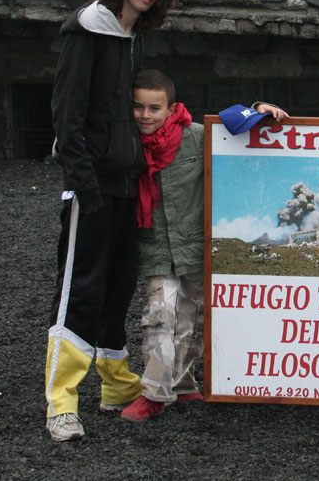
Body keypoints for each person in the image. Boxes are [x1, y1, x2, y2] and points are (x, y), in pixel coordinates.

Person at [45, 0, 179, 442]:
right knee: (79, 291)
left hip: (126, 186)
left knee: (117, 286)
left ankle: (113, 383)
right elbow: (67, 114)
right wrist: (85, 187)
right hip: (94, 188)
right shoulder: (89, 30)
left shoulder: (130, 35)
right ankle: (61, 400)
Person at [120, 70, 288, 422]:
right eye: (138, 107)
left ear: (170, 108)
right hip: (154, 248)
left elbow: (237, 129)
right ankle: (153, 393)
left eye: (154, 108)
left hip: (195, 247)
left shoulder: (194, 136)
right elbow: (66, 148)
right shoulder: (122, 140)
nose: (146, 115)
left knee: (193, 319)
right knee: (158, 318)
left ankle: (182, 383)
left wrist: (260, 108)